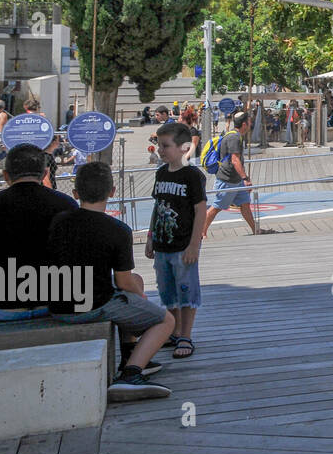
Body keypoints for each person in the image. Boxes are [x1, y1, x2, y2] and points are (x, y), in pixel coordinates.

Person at [48, 162, 175, 400]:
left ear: (75, 193)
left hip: (58, 304)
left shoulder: (59, 221)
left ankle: (130, 352)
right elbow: (124, 282)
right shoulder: (118, 230)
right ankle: (130, 374)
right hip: (92, 306)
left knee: (136, 283)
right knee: (165, 320)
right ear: (112, 191)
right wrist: (142, 298)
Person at [0, 144, 78, 321]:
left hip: (1, 305)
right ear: (45, 173)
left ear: (6, 175)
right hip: (54, 302)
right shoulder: (66, 205)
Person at [147, 122, 208, 359]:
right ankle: (172, 329)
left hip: (183, 244)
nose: (161, 150)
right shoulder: (160, 173)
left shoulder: (192, 175)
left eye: (165, 146)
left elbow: (200, 210)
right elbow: (157, 206)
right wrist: (151, 236)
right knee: (167, 289)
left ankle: (186, 334)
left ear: (183, 148)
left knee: (186, 289)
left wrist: (194, 244)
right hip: (162, 243)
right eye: (159, 145)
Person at [202, 111, 267, 237]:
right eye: (249, 122)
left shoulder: (236, 136)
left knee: (245, 204)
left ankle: (255, 230)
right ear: (244, 124)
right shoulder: (234, 137)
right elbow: (235, 160)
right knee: (217, 206)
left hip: (236, 180)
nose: (251, 124)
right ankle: (201, 232)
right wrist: (246, 178)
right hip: (227, 180)